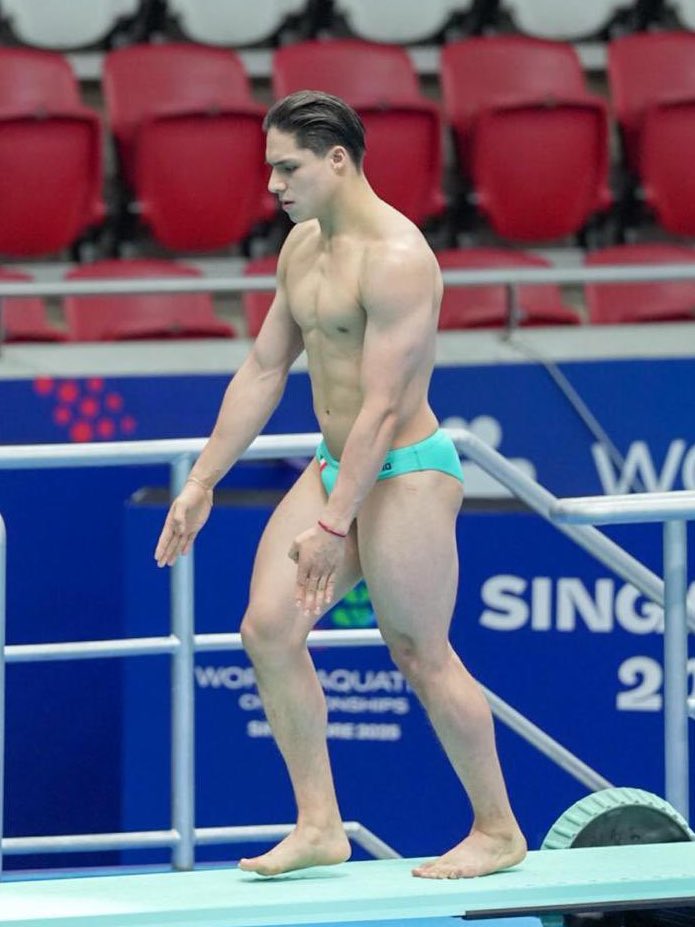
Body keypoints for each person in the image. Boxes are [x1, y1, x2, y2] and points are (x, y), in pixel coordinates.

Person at [154, 90, 527, 880]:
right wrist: (202, 480)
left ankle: (497, 828)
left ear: (336, 159)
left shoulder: (397, 258)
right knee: (266, 630)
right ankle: (320, 823)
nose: (273, 186)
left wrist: (332, 525)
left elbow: (385, 407)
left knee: (418, 652)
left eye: (286, 168)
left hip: (406, 472)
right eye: (270, 170)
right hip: (335, 466)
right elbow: (261, 369)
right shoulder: (301, 250)